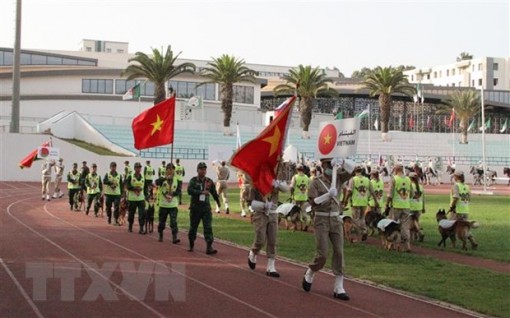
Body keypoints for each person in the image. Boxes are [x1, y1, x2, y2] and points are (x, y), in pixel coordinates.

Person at [302, 158, 354, 301]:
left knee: (339, 251)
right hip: (321, 219)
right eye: (328, 165)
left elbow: (353, 170)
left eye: (332, 164)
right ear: (323, 166)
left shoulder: (339, 179)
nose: (330, 167)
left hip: (336, 219)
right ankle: (311, 271)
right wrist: (327, 195)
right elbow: (311, 203)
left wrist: (342, 162)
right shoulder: (316, 182)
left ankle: (339, 286)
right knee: (322, 253)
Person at [247, 169, 289, 277]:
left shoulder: (275, 182)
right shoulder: (255, 184)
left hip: (273, 213)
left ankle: (271, 266)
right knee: (260, 239)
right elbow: (250, 203)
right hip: (260, 213)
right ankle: (253, 252)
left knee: (273, 240)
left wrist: (277, 184)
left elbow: (286, 189)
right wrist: (263, 205)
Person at [187, 162, 221, 254]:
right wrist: (201, 192)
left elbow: (214, 192)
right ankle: (191, 244)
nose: (203, 171)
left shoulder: (209, 181)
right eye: (201, 169)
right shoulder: (193, 180)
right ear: (197, 170)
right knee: (193, 227)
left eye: (204, 169)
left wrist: (218, 202)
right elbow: (189, 191)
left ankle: (209, 247)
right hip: (195, 208)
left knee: (208, 227)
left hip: (206, 208)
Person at [386, 163, 414, 252]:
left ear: (396, 169)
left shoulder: (394, 179)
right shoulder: (408, 179)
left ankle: (392, 244)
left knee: (393, 225)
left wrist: (387, 204)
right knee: (405, 227)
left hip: (396, 206)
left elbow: (390, 194)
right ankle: (407, 246)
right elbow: (412, 194)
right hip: (406, 206)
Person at [449, 170, 478, 248]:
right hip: (465, 210)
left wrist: (452, 206)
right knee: (465, 228)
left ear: (456, 177)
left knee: (451, 228)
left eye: (454, 176)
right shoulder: (466, 186)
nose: (453, 177)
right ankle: (473, 242)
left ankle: (453, 244)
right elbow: (469, 197)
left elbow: (456, 197)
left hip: (457, 211)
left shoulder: (456, 185)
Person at [156, 163, 181, 243]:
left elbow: (178, 191)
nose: (170, 171)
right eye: (169, 169)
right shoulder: (162, 179)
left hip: (173, 205)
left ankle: (174, 237)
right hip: (163, 205)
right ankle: (160, 234)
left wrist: (172, 194)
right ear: (166, 170)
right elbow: (157, 182)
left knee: (173, 222)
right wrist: (165, 178)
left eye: (172, 169)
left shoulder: (177, 180)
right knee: (162, 222)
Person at [344, 166, 371, 241]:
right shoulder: (367, 179)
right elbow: (371, 191)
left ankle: (360, 233)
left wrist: (345, 200)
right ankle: (364, 230)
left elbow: (349, 191)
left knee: (356, 220)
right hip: (364, 202)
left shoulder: (353, 179)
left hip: (355, 202)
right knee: (362, 218)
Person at [125, 162, 146, 234]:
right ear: (134, 168)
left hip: (141, 199)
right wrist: (135, 188)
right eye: (137, 167)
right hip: (132, 199)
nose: (138, 169)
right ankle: (130, 226)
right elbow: (127, 186)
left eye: (139, 167)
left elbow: (145, 187)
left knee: (142, 214)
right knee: (131, 214)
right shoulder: (130, 176)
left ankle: (141, 228)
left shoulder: (143, 176)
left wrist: (147, 196)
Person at [290, 164, 311, 231]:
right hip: (304, 198)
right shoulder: (307, 178)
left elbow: (292, 187)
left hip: (296, 198)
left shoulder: (295, 177)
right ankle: (306, 223)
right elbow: (309, 187)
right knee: (304, 212)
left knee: (295, 213)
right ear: (303, 170)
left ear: (296, 169)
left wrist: (291, 195)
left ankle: (295, 226)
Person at [409, 172, 425, 242]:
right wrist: (423, 207)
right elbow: (423, 198)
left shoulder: (410, 186)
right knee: (416, 221)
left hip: (411, 206)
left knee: (411, 222)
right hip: (419, 206)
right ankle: (415, 236)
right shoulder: (421, 186)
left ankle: (419, 233)